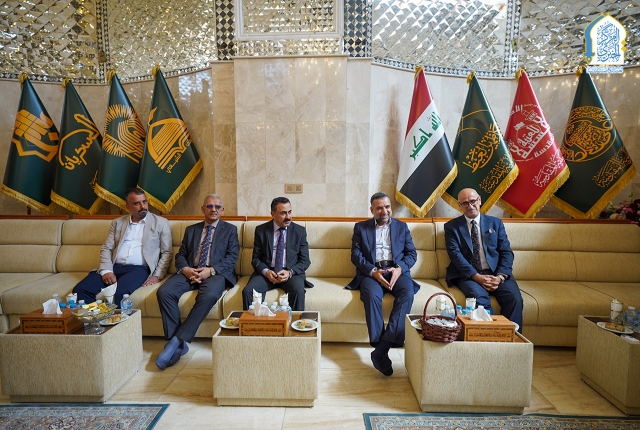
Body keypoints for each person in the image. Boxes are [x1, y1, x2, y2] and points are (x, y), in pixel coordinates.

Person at [155, 194, 239, 370]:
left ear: (222, 210)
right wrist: (186, 269)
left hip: (215, 273)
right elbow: (181, 255)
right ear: (203, 209)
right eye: (209, 206)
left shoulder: (230, 229)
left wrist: (211, 270)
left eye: (217, 206)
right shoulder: (191, 230)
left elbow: (232, 257)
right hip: (191, 271)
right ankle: (178, 345)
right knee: (164, 292)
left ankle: (175, 342)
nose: (213, 209)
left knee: (209, 295)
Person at [347, 192, 419, 377]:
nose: (384, 211)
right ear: (372, 210)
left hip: (396, 270)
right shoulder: (361, 228)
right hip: (372, 272)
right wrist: (372, 271)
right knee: (371, 296)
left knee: (407, 293)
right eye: (379, 208)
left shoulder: (402, 227)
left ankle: (381, 350)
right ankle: (381, 350)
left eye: (387, 207)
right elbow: (356, 256)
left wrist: (399, 269)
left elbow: (412, 254)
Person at [73, 187, 172, 306]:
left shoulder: (160, 222)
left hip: (139, 269)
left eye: (144, 202)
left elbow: (167, 252)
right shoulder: (118, 223)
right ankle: (97, 316)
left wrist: (157, 276)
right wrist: (107, 271)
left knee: (120, 294)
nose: (143, 206)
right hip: (114, 266)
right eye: (137, 203)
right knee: (80, 291)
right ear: (128, 207)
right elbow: (107, 248)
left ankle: (116, 318)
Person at [444, 187, 523, 331]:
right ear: (459, 205)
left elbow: (506, 252)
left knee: (514, 299)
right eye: (465, 203)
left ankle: (511, 339)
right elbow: (455, 255)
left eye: (473, 201)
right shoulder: (451, 227)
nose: (470, 206)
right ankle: (488, 339)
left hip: (496, 272)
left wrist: (499, 277)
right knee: (479, 299)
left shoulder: (495, 223)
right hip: (469, 275)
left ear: (479, 200)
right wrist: (477, 277)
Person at [241, 197, 312, 311]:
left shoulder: (299, 231)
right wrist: (266, 272)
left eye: (289, 212)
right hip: (267, 273)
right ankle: (252, 322)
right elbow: (256, 259)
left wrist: (289, 272)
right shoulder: (261, 230)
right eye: (283, 213)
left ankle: (294, 322)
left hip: (290, 273)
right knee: (248, 292)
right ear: (272, 214)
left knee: (298, 291)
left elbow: (305, 261)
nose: (288, 217)